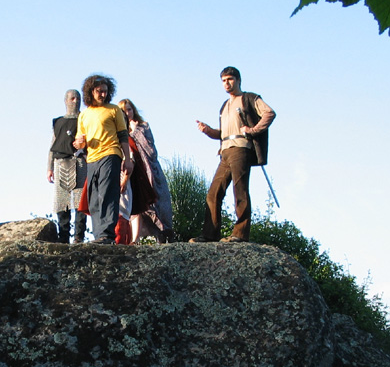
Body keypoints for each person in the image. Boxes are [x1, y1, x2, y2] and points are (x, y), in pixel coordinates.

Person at [192, 66, 275, 243]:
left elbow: (269, 113)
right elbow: (222, 133)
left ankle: (240, 234)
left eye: (230, 79)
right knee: (213, 193)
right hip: (225, 150)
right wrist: (208, 130)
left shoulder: (249, 98)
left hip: (241, 148)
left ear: (238, 80)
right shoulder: (225, 105)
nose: (226, 83)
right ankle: (209, 235)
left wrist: (253, 130)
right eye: (223, 80)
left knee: (240, 191)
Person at [73, 74, 132, 244]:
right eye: (99, 91)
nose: (103, 94)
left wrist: (127, 159)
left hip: (111, 153)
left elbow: (123, 135)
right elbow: (79, 142)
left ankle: (107, 234)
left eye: (105, 91)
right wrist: (79, 143)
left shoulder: (114, 110)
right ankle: (99, 235)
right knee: (94, 197)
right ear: (91, 91)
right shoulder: (84, 115)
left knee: (107, 193)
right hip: (92, 158)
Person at [118, 99, 175, 243]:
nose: (127, 113)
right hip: (133, 172)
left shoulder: (143, 127)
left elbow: (151, 151)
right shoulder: (120, 132)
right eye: (124, 111)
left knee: (157, 205)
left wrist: (136, 131)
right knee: (136, 206)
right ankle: (134, 239)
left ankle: (164, 235)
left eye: (129, 109)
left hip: (149, 170)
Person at [47, 89, 87, 243]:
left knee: (80, 202)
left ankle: (78, 238)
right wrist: (49, 168)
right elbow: (52, 146)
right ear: (66, 101)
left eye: (78, 98)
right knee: (62, 203)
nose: (75, 101)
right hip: (61, 163)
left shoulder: (85, 119)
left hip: (80, 162)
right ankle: (63, 238)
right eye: (72, 98)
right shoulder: (58, 122)